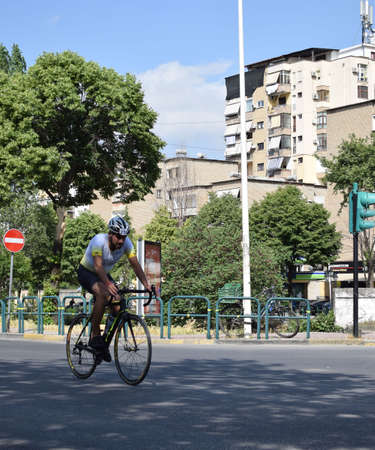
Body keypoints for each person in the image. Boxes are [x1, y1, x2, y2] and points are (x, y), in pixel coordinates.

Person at [77, 215, 151, 362]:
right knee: (103, 294)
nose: (121, 240)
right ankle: (95, 335)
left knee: (118, 304)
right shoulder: (99, 240)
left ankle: (103, 343)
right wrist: (108, 284)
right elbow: (97, 266)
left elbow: (135, 265)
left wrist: (147, 285)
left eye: (124, 237)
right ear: (110, 234)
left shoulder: (126, 244)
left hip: (103, 274)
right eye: (118, 237)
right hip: (87, 272)